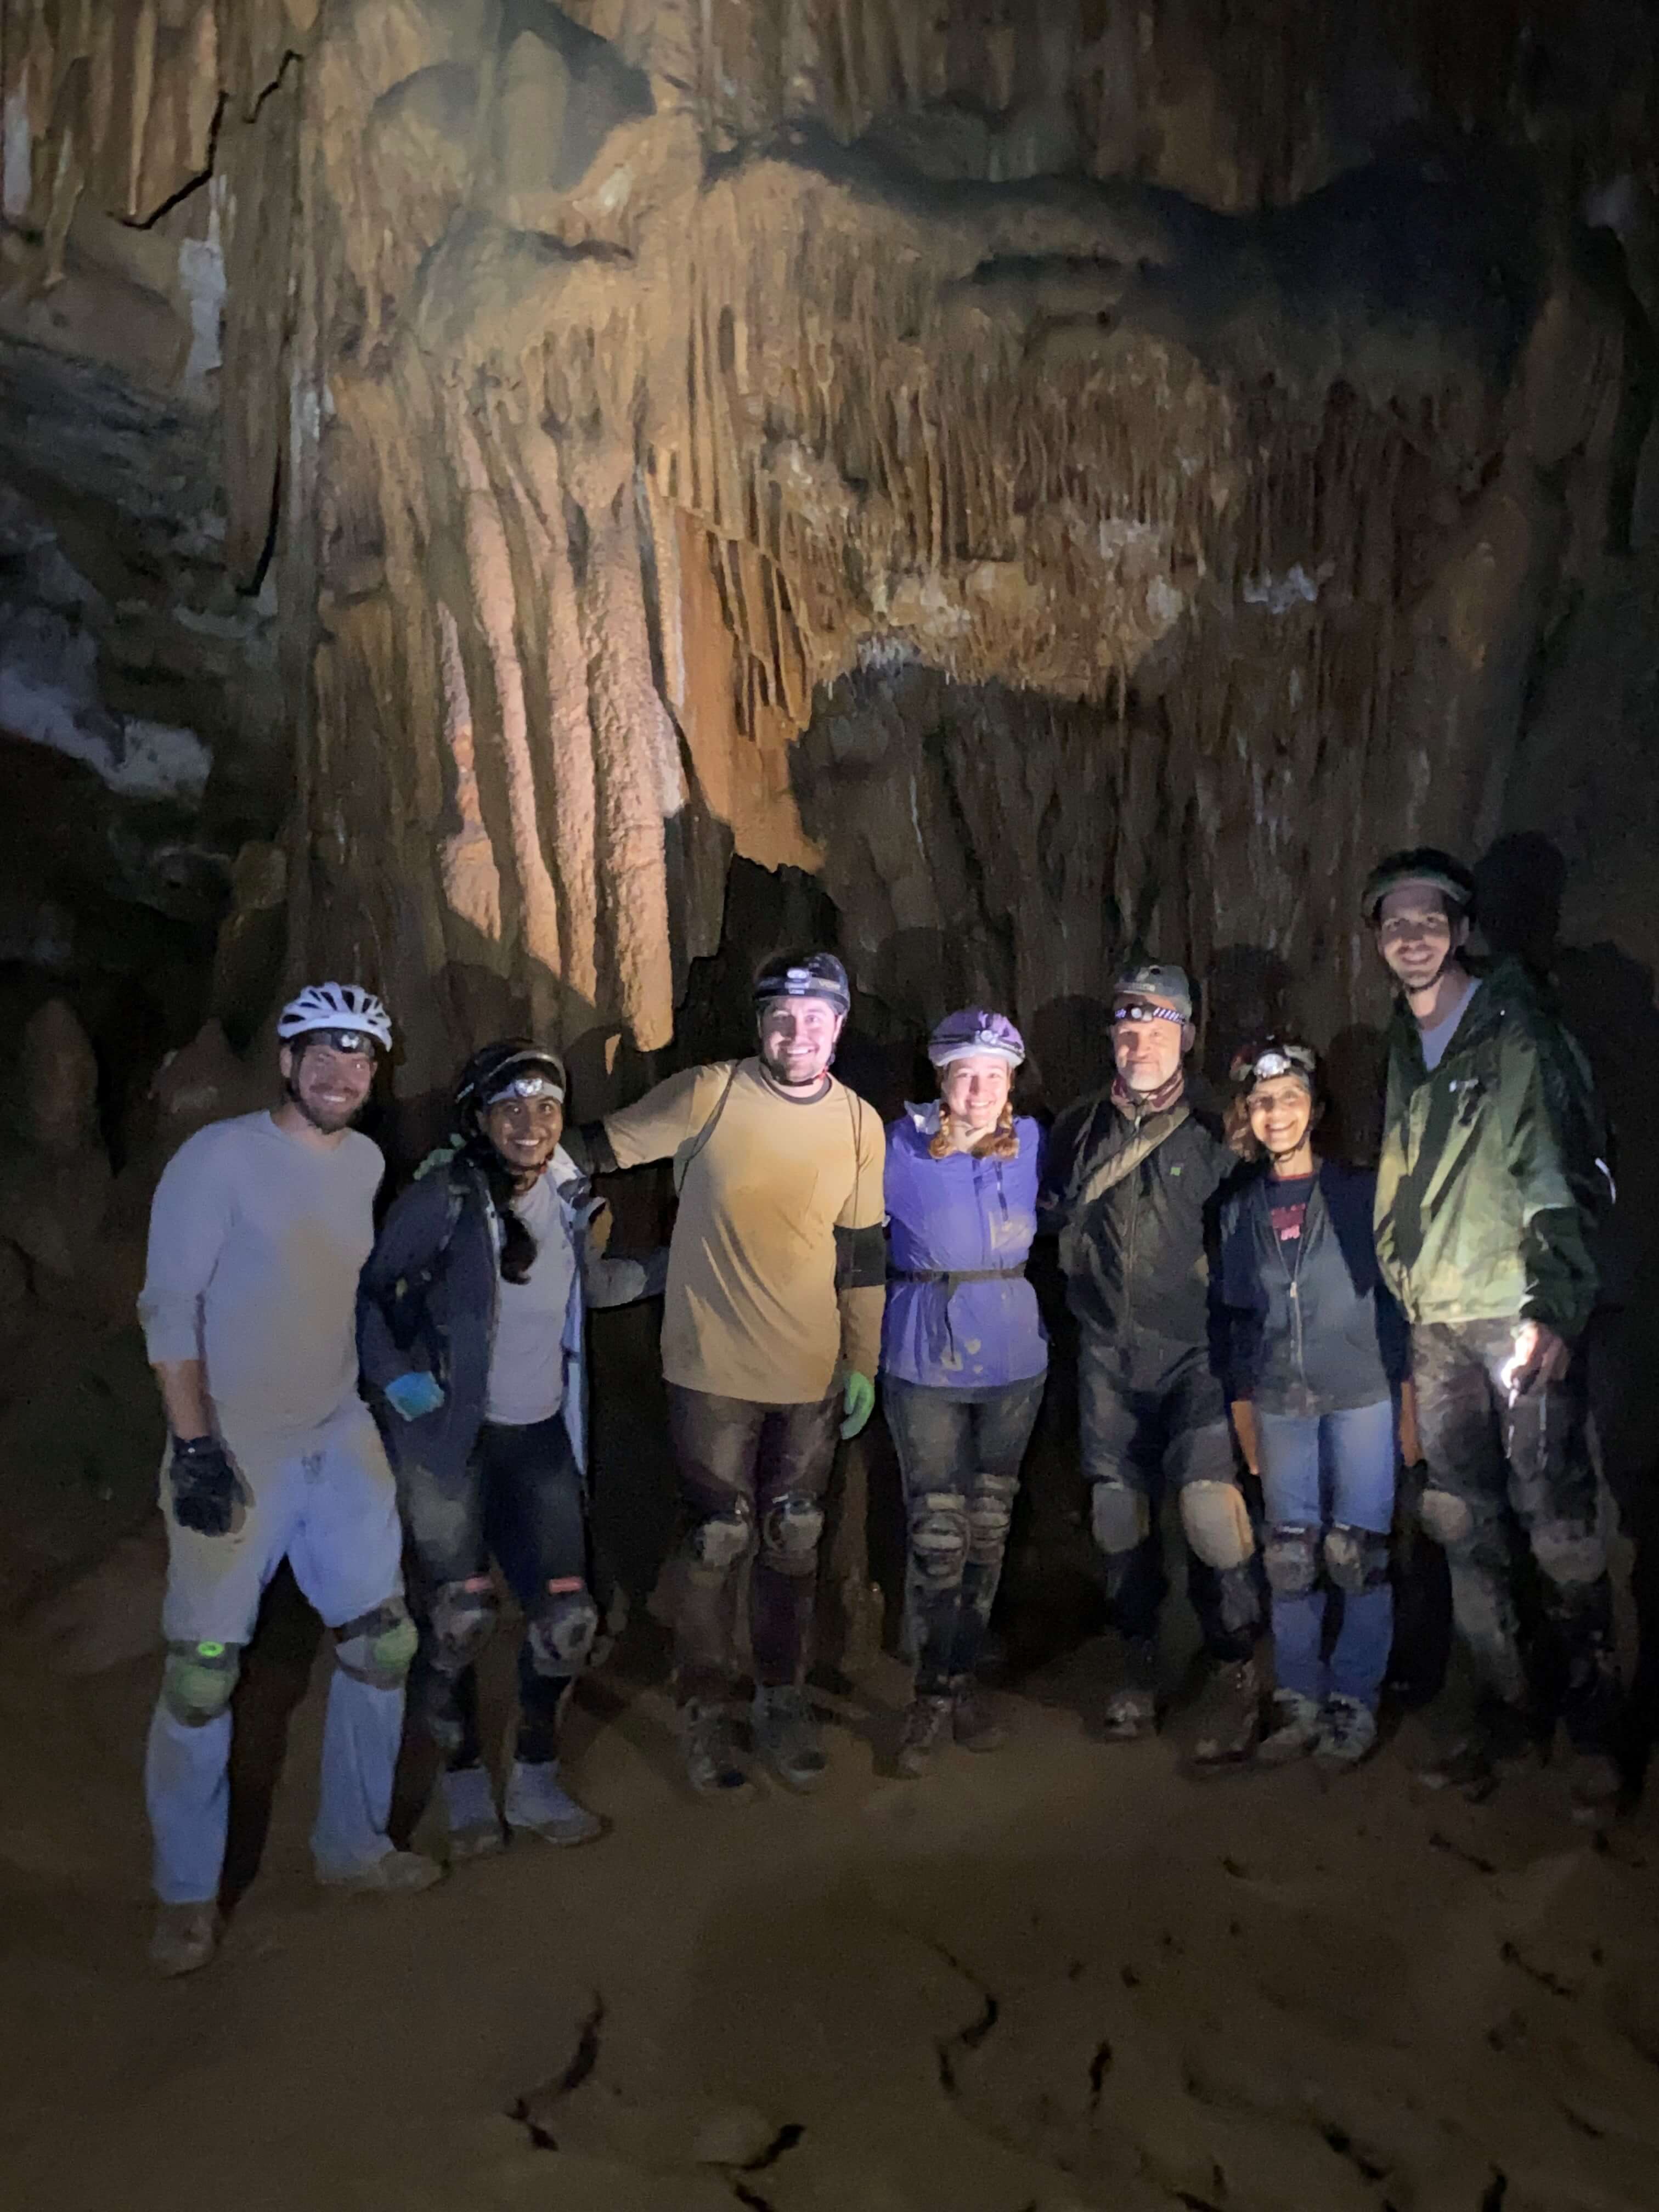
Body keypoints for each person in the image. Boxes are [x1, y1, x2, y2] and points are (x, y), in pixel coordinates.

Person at [137, 983, 438, 1978]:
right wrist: (193, 1449)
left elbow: (342, 1293)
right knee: (202, 1672)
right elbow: (170, 1307)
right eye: (321, 1054)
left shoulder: (364, 1162)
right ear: (285, 1060)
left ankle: (352, 1847)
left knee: (383, 1642)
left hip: (335, 1431)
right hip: (234, 1442)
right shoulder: (217, 1159)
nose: (339, 1074)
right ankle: (186, 1894)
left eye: (358, 1060)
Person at [582, 951, 885, 1797]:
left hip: (810, 1368)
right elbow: (597, 1148)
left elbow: (862, 1255)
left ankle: (781, 1699)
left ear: (839, 1025)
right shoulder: (708, 1093)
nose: (799, 1033)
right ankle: (706, 1709)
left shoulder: (861, 1123)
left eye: (817, 1018)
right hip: (712, 1364)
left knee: (794, 1537)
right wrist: (495, 1160)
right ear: (761, 1026)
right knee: (719, 1537)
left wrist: (862, 1361)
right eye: (783, 1018)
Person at [357, 1040, 666, 1859]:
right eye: (511, 1109)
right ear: (480, 1119)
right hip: (451, 1443)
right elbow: (374, 1297)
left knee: (567, 1619)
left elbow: (588, 1292)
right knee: (459, 1618)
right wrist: (399, 1384)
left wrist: (688, 1269)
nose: (530, 1125)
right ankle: (463, 1784)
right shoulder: (441, 1200)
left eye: (547, 1109)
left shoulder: (569, 1195)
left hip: (539, 1440)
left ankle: (533, 1777)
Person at [1366, 848, 1621, 1812]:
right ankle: (1510, 1708)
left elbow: (1560, 1167)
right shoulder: (1405, 1043)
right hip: (1436, 1320)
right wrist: (1402, 1274)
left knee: (1556, 1522)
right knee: (1465, 1523)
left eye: (1430, 920)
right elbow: (1399, 1171)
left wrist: (1554, 1305)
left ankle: (1594, 1729)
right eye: (1396, 924)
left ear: (1463, 931)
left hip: (1513, 1310)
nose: (1414, 936)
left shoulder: (1517, 1036)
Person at [1040, 963, 1261, 1762]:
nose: (1140, 1045)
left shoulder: (1222, 1128)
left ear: (1188, 1038)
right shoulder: (1075, 1129)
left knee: (1210, 1511)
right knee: (1116, 1514)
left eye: (1158, 1030)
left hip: (1196, 1351)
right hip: (1105, 1351)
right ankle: (1138, 1658)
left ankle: (1237, 1662)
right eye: (1128, 1030)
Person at [1219, 1039, 1407, 1769]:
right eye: (1264, 1103)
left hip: (1362, 1394)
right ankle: (1299, 1694)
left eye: (1290, 1099)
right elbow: (1234, 1318)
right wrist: (1243, 1412)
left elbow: (1395, 1303)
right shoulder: (1241, 1210)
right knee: (1291, 1555)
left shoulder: (1358, 1194)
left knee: (1357, 1553)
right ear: (1249, 1115)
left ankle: (1353, 1698)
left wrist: (1411, 1401)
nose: (1276, 1113)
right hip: (1278, 1398)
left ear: (1316, 1110)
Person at [882, 1009, 1048, 1777]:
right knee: (938, 1533)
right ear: (942, 1079)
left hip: (1014, 1357)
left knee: (988, 1526)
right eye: (964, 1074)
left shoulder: (1036, 1143)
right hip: (925, 1355)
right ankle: (930, 1690)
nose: (979, 1089)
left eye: (993, 1074)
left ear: (1011, 1081)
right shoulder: (897, 1142)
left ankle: (962, 1677)